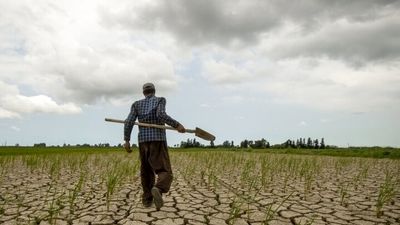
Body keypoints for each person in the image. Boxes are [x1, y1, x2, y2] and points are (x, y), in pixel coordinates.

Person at [124, 82, 185, 210]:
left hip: (143, 141)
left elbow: (129, 121)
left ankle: (147, 200)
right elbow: (161, 115)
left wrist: (127, 140)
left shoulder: (136, 104)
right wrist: (177, 125)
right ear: (154, 91)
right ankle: (158, 188)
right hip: (157, 140)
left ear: (143, 93)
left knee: (146, 171)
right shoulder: (160, 100)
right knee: (163, 170)